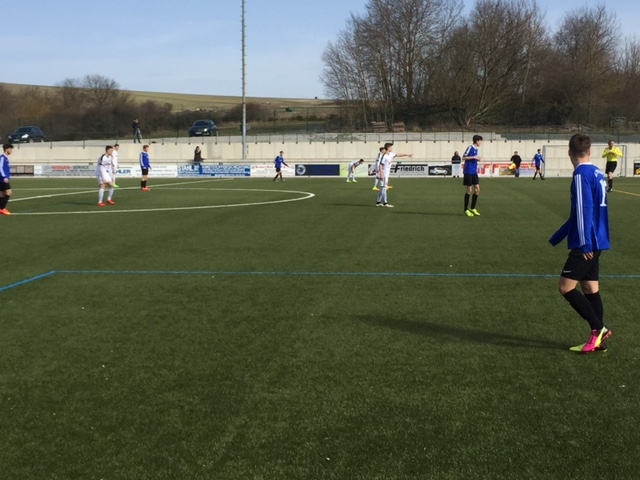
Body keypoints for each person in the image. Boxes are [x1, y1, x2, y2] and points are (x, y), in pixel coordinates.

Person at [549, 134, 611, 353]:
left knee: (565, 287)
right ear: (590, 151)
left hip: (587, 241)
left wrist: (584, 243)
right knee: (590, 287)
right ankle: (598, 339)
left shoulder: (580, 174)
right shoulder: (597, 172)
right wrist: (558, 236)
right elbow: (579, 213)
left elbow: (585, 210)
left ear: (569, 152)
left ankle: (598, 328)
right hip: (598, 238)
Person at [376, 142, 412, 208]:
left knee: (382, 188)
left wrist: (407, 154)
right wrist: (381, 174)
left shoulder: (391, 154)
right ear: (388, 148)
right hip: (384, 174)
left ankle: (378, 202)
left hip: (386, 174)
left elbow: (398, 154)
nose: (392, 148)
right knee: (384, 188)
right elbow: (380, 165)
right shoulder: (384, 156)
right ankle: (385, 203)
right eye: (391, 147)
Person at [462, 135, 483, 216]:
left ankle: (472, 208)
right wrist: (474, 157)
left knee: (477, 190)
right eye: (480, 141)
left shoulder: (476, 149)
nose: (481, 142)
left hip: (474, 172)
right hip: (468, 171)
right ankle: (466, 209)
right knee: (469, 190)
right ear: (477, 141)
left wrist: (477, 158)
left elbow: (474, 158)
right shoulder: (470, 147)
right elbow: (463, 157)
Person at [0, 143, 14, 215]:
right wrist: (4, 177)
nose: (11, 151)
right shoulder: (2, 157)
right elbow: (0, 167)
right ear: (6, 149)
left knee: (2, 194)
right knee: (9, 192)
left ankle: (1, 208)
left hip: (2, 179)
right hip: (2, 179)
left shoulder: (5, 158)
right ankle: (2, 208)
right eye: (10, 149)